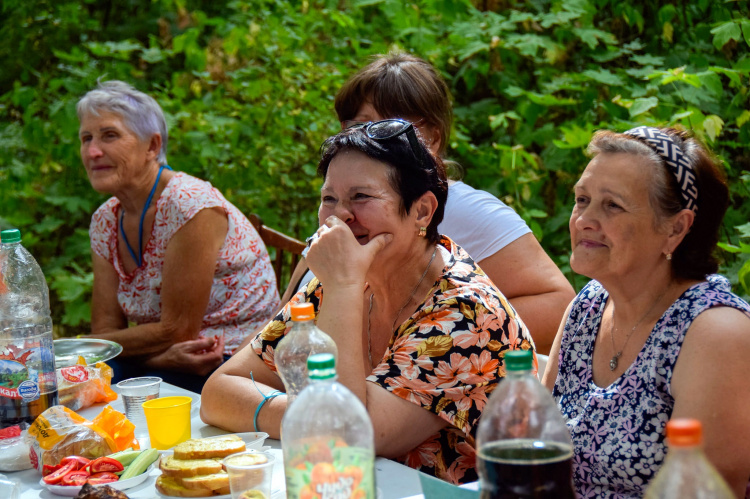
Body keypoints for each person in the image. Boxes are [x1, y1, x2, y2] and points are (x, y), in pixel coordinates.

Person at [201, 120, 535, 484]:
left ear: (422, 211)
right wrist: (304, 418)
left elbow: (343, 440)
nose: (340, 215)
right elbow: (219, 391)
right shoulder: (339, 280)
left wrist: (343, 284)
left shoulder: (466, 311)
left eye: (361, 197)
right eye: (329, 199)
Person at [280, 51, 574, 355]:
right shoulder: (343, 204)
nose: (368, 141)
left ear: (432, 138)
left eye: (388, 127)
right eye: (358, 126)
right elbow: (289, 307)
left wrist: (435, 338)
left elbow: (559, 304)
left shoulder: (467, 209)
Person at [541, 126, 750, 498]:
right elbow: (533, 445)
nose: (583, 220)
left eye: (612, 205)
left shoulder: (715, 334)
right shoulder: (588, 306)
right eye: (582, 199)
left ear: (675, 228)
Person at [78, 80, 280, 392]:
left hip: (233, 363)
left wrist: (74, 346)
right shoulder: (106, 220)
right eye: (86, 138)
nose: (92, 151)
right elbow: (104, 331)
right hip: (166, 360)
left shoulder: (190, 205)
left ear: (152, 146)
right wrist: (151, 361)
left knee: (86, 380)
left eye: (109, 135)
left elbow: (177, 331)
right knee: (80, 382)